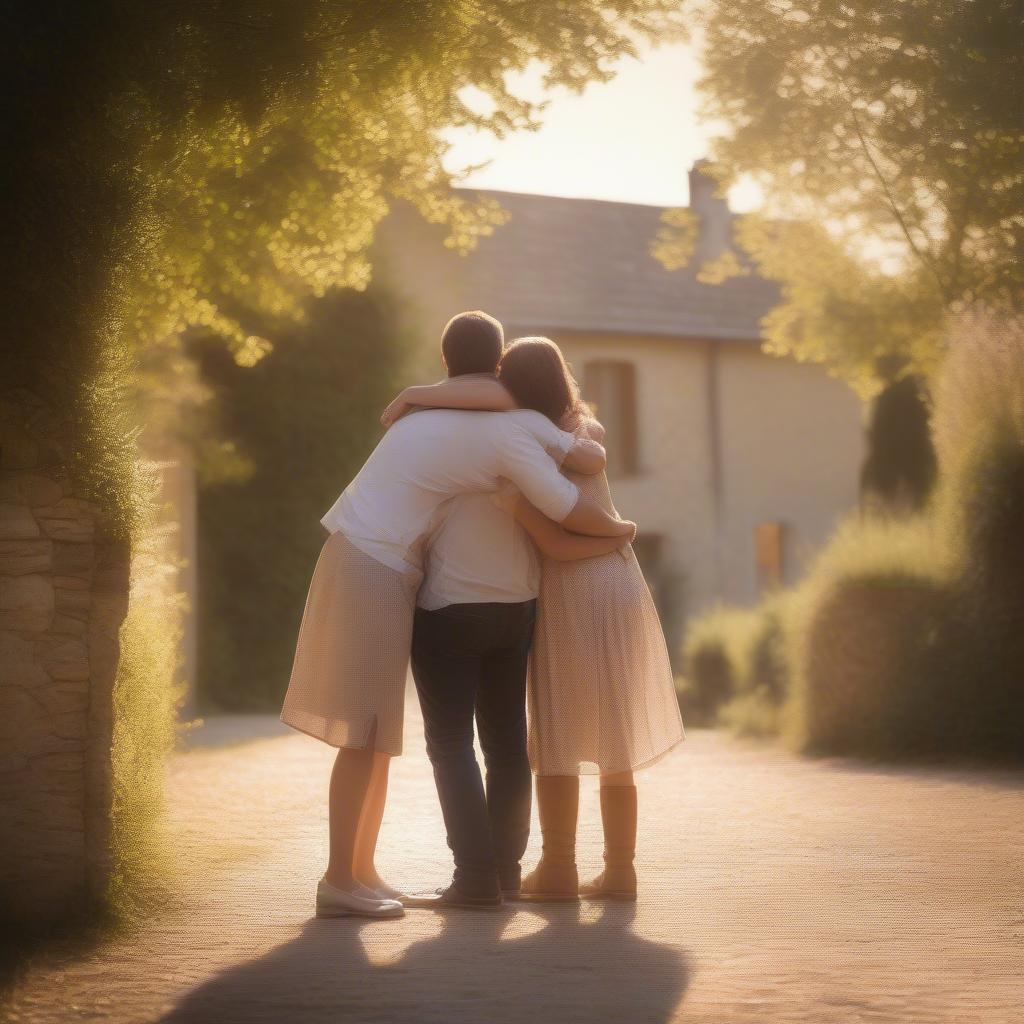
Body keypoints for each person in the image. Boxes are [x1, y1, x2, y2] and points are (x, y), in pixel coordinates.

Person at [280, 312, 634, 920]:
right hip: (511, 604)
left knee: (440, 743)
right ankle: (494, 873)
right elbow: (570, 489)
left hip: (427, 592)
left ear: (449, 366)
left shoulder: (434, 420)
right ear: (495, 367)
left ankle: (452, 877)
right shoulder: (518, 424)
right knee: (498, 744)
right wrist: (622, 529)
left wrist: (415, 392)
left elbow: (555, 486)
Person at [382, 335, 684, 903]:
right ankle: (621, 871)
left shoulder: (526, 446)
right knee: (615, 735)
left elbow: (554, 542)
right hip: (622, 584)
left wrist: (419, 395)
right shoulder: (582, 430)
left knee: (558, 730)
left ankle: (559, 870)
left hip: (570, 586)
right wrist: (621, 539)